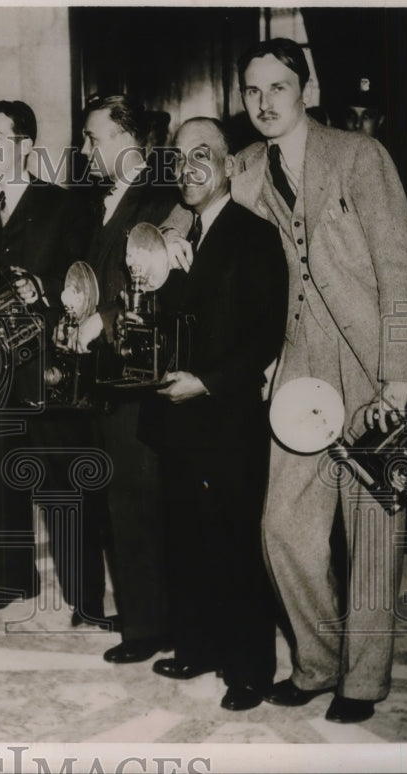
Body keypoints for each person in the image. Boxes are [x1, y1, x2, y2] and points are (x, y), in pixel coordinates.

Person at [232, 38, 407, 723]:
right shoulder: (246, 170)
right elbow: (189, 221)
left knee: (371, 532)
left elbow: (403, 269)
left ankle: (362, 680)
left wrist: (398, 383)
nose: (263, 102)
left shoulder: (358, 156)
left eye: (277, 88)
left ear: (304, 90)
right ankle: (315, 663)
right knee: (283, 526)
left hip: (371, 365)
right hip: (297, 369)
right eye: (252, 90)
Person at [143, 117, 286, 711]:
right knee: (185, 535)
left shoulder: (254, 234)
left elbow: (265, 334)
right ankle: (197, 645)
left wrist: (207, 381)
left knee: (234, 542)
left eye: (203, 154)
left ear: (231, 165)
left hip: (227, 418)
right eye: (179, 157)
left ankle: (249, 667)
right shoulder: (174, 236)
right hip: (176, 417)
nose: (188, 167)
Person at [0, 100, 108, 625]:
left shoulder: (64, 206)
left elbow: (84, 274)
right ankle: (12, 578)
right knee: (2, 476)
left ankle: (86, 597)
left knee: (65, 481)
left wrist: (40, 286)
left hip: (48, 369)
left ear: (24, 145)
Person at [70, 96, 179, 663]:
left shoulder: (161, 199)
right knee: (125, 504)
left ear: (126, 140)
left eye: (94, 138)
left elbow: (162, 291)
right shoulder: (103, 200)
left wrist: (101, 321)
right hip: (108, 379)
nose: (85, 149)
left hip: (140, 380)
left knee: (141, 505)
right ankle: (146, 616)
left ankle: (151, 627)